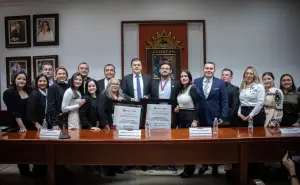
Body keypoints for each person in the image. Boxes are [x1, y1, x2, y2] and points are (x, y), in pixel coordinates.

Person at [194, 61, 228, 177]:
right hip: (201, 116)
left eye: (211, 68)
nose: (209, 70)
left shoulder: (221, 83)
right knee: (202, 143)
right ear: (204, 69)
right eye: (207, 68)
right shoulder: (196, 81)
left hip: (215, 118)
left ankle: (215, 167)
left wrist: (223, 116)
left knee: (214, 144)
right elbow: (195, 100)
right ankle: (204, 165)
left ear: (214, 70)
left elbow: (224, 101)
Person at [149, 60, 181, 174]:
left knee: (170, 140)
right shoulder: (153, 83)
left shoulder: (177, 83)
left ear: (170, 71)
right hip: (156, 114)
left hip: (171, 114)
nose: (164, 70)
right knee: (155, 139)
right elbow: (150, 95)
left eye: (167, 68)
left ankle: (171, 162)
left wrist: (179, 106)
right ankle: (155, 162)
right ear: (159, 70)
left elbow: (181, 97)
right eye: (162, 68)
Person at [3, 71, 33, 177]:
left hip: (30, 122)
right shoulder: (9, 93)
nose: (22, 81)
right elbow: (14, 111)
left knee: (33, 149)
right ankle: (24, 172)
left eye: (24, 79)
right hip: (17, 123)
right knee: (22, 149)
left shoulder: (30, 90)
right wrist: (22, 126)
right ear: (14, 80)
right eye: (19, 79)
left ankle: (35, 169)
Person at [175, 69, 200, 178]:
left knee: (190, 146)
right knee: (184, 145)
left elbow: (198, 105)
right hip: (181, 118)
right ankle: (186, 169)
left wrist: (195, 120)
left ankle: (190, 170)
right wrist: (177, 107)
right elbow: (182, 103)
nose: (183, 78)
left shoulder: (192, 88)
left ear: (189, 78)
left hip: (191, 118)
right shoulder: (181, 89)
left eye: (185, 76)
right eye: (181, 76)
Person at [26, 74, 49, 179]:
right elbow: (30, 111)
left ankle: (46, 170)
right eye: (40, 81)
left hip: (47, 124)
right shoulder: (34, 94)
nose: (42, 83)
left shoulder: (48, 93)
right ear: (36, 82)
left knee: (46, 148)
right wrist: (36, 124)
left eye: (44, 81)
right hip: (36, 125)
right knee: (38, 150)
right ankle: (38, 172)